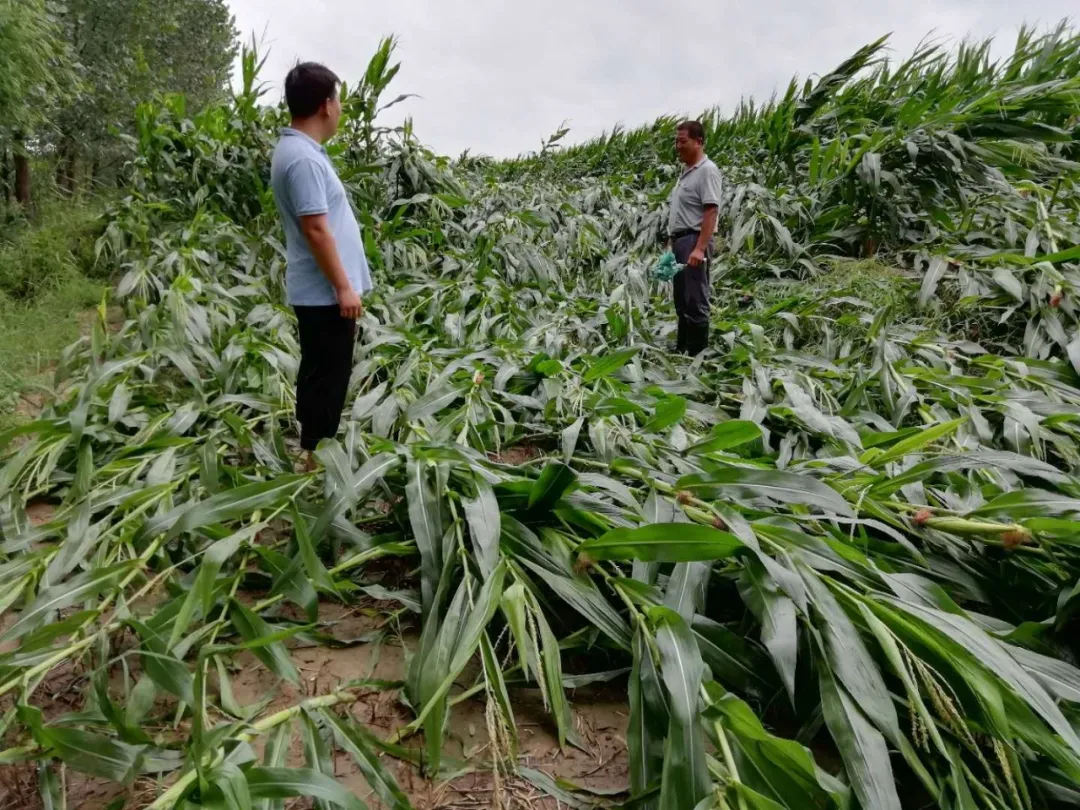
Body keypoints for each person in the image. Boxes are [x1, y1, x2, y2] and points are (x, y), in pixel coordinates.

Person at [271, 62, 372, 469]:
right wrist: (344, 287)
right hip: (325, 292)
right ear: (327, 105)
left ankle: (312, 450)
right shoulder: (304, 160)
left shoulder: (300, 152)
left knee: (319, 373)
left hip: (320, 290)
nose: (342, 108)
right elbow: (316, 229)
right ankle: (315, 459)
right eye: (339, 99)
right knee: (327, 378)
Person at [667, 120, 722, 356]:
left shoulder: (707, 171)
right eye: (676, 141)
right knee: (681, 299)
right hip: (681, 242)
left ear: (698, 142)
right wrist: (671, 245)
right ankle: (682, 350)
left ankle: (699, 358)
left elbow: (711, 211)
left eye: (683, 141)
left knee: (695, 299)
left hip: (694, 241)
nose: (677, 146)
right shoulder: (686, 174)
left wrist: (699, 249)